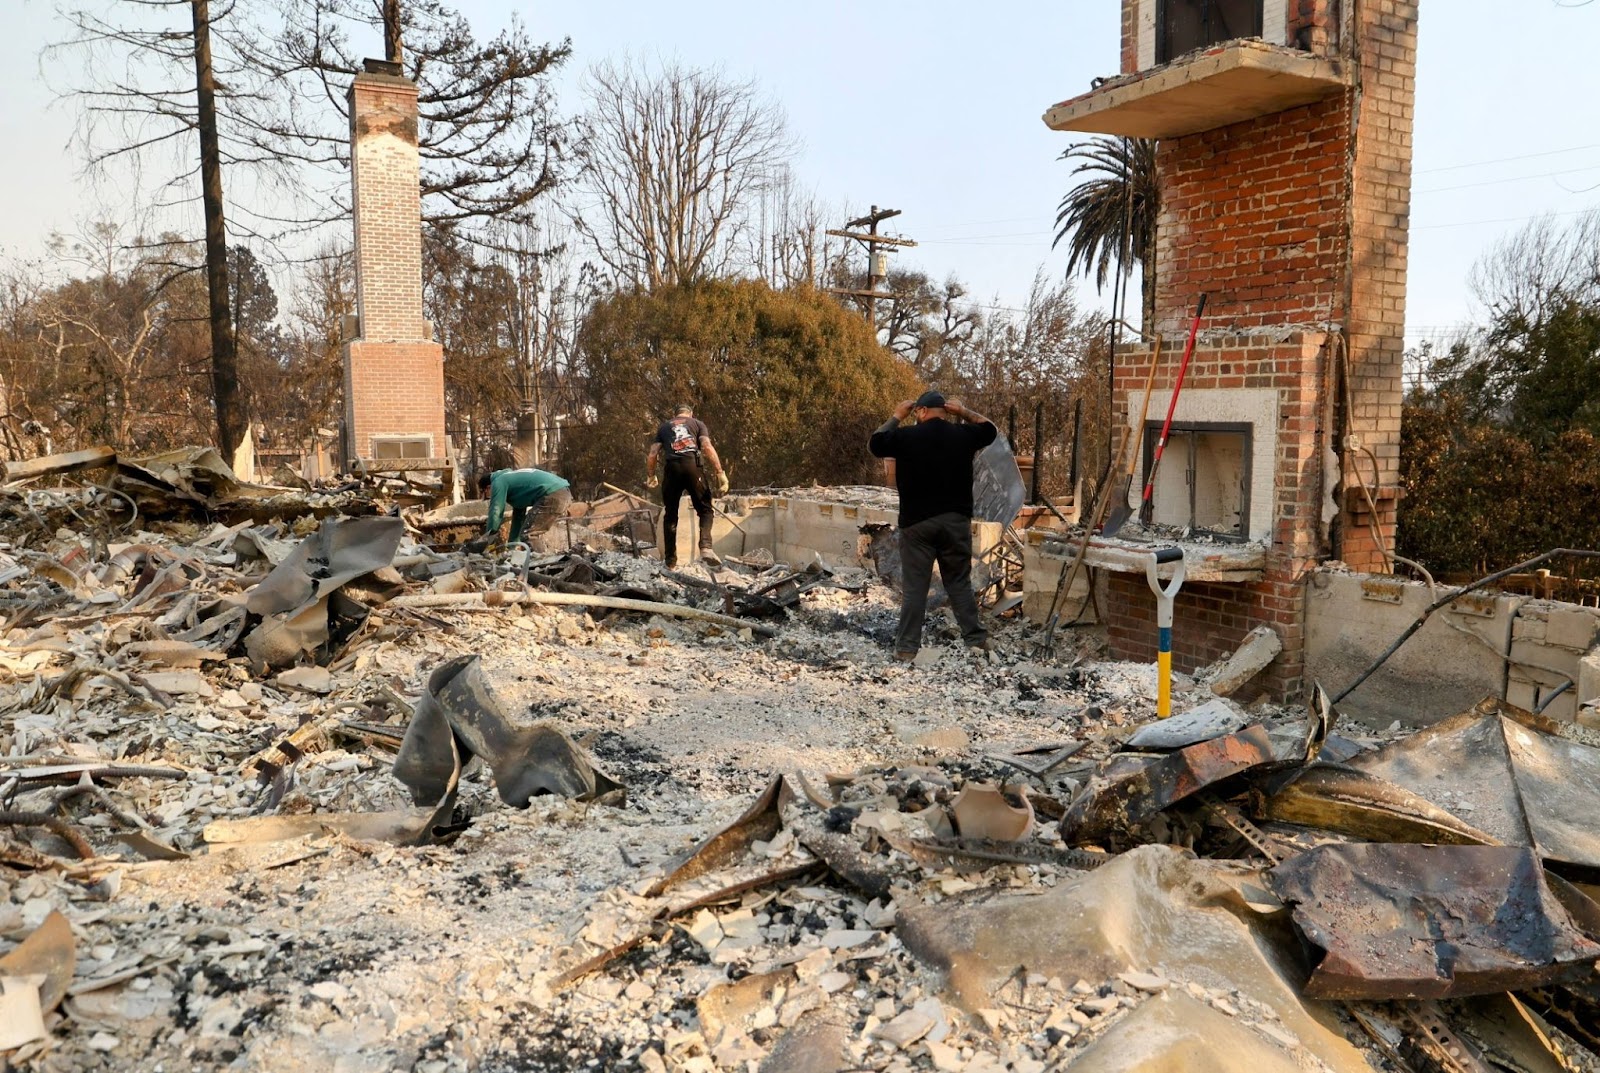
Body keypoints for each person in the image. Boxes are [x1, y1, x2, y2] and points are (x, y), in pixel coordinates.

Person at [868, 390, 998, 661]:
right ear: (945, 410)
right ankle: (976, 640)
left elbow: (875, 444)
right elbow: (990, 430)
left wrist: (897, 415)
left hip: (917, 524)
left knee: (915, 587)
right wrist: (963, 412)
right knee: (958, 583)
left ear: (922, 411)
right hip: (955, 522)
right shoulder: (963, 435)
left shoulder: (905, 437)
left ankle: (906, 649)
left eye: (916, 413)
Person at [646, 404, 729, 568]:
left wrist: (651, 474)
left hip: (672, 470)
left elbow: (653, 453)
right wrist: (720, 472)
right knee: (705, 510)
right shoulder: (697, 424)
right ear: (690, 414)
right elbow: (706, 446)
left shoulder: (664, 427)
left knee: (670, 515)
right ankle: (705, 547)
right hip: (693, 467)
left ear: (675, 415)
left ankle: (670, 561)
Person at [464, 467, 572, 552]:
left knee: (529, 534)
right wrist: (511, 548)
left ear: (488, 487)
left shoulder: (499, 482)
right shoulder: (513, 482)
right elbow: (518, 520)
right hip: (562, 492)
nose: (489, 497)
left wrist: (487, 539)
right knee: (528, 532)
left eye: (486, 494)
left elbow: (496, 512)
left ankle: (538, 565)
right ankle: (535, 562)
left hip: (552, 494)